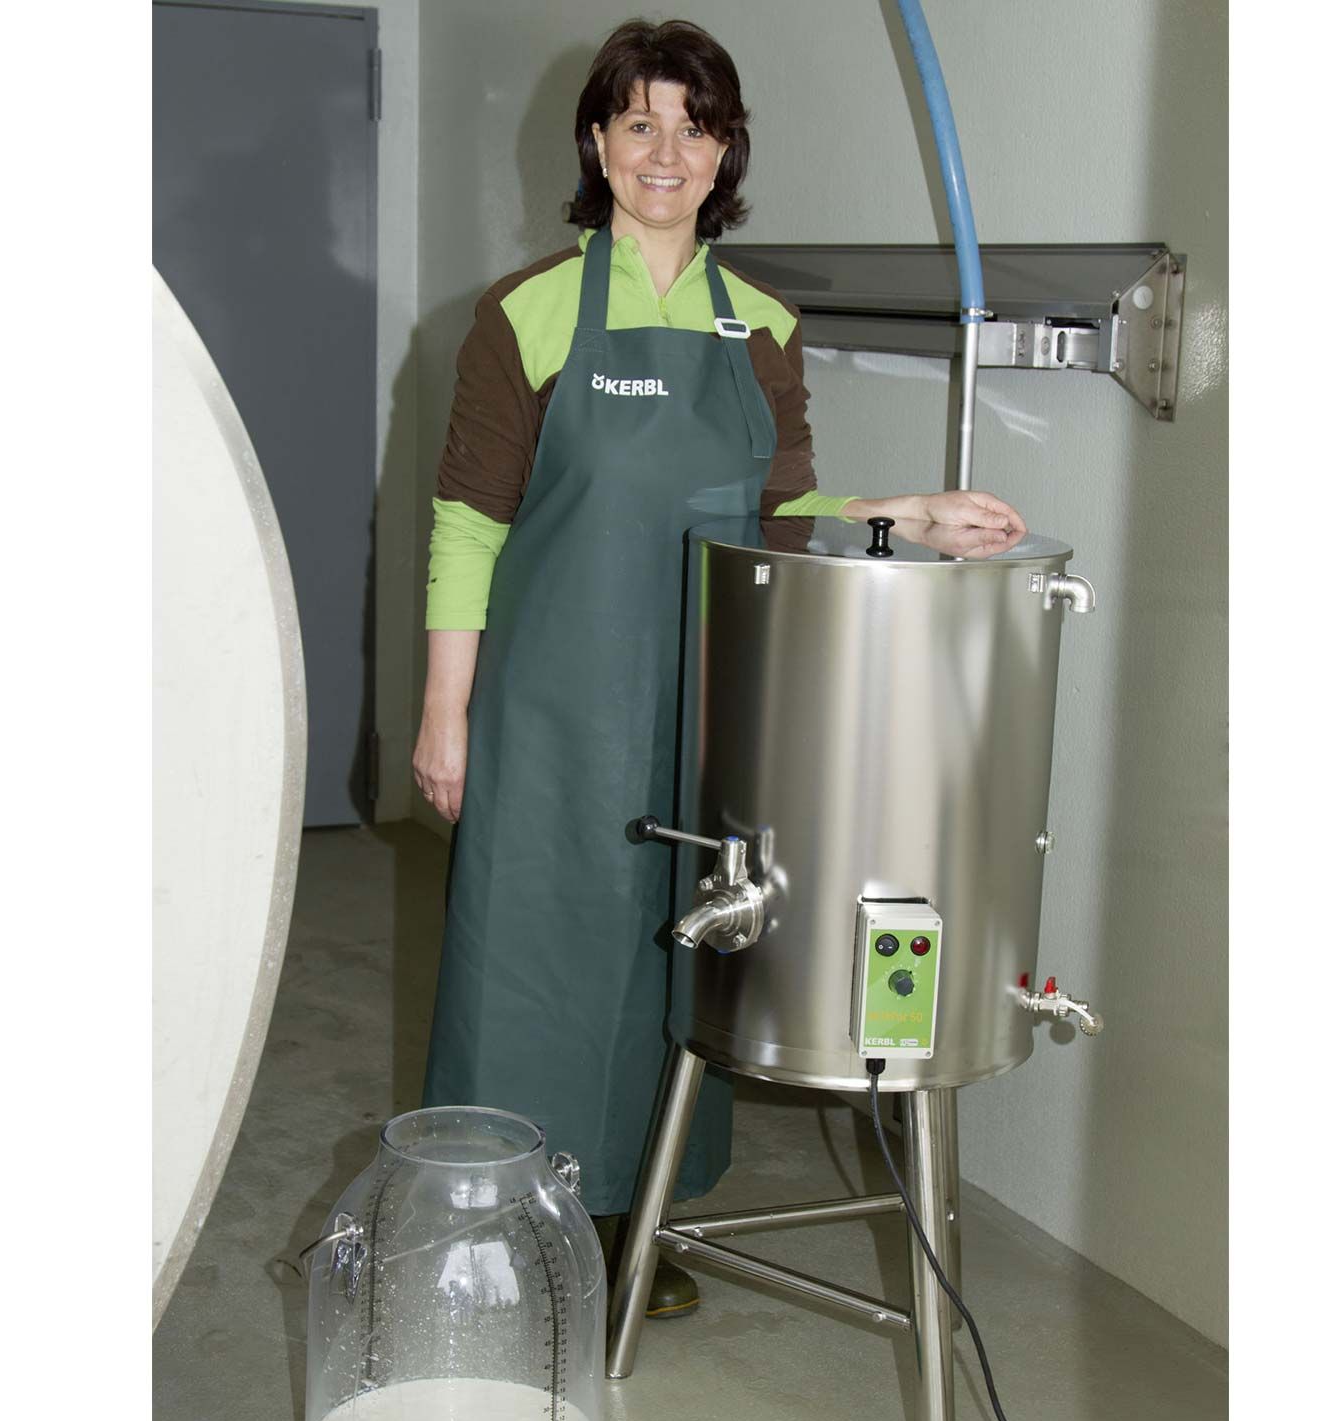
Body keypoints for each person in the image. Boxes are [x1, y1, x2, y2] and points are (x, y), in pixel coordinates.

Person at [414, 18, 1026, 1318]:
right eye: (639, 123)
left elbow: (778, 514)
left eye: (694, 128)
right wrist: (444, 711)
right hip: (551, 707)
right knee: (526, 963)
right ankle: (506, 1222)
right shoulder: (526, 313)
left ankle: (634, 1225)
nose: (666, 152)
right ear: (597, 143)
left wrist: (909, 512)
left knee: (671, 959)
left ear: (725, 152)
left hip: (701, 707)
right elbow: (467, 523)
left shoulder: (761, 325)